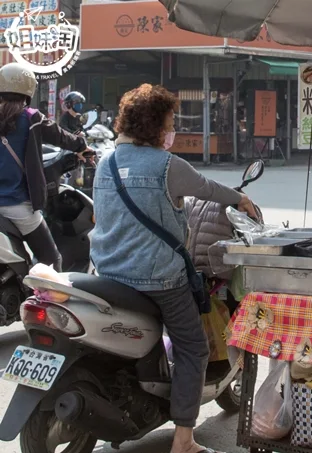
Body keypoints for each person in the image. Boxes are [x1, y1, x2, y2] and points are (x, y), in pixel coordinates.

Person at [90, 83, 257, 453]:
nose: (171, 129)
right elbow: (208, 189)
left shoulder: (105, 163)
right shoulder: (168, 165)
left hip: (108, 276)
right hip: (160, 279)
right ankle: (184, 440)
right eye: (169, 121)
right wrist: (242, 198)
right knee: (192, 348)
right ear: (154, 126)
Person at [0, 63, 90, 272]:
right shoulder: (32, 117)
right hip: (18, 207)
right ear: (28, 90)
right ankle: (44, 303)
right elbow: (62, 137)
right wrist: (82, 146)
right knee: (51, 260)